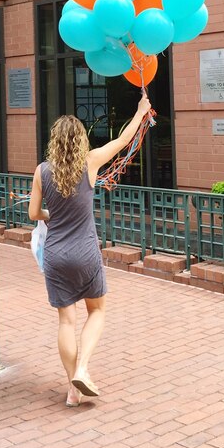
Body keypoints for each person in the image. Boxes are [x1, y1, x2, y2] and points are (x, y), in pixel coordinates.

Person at [29, 93, 152, 407]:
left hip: (56, 255)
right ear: (81, 140)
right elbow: (124, 140)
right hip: (85, 252)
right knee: (97, 311)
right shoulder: (91, 161)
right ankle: (82, 368)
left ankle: (73, 387)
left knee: (65, 321)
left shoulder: (42, 171)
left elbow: (33, 215)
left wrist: (50, 215)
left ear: (54, 142)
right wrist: (140, 111)